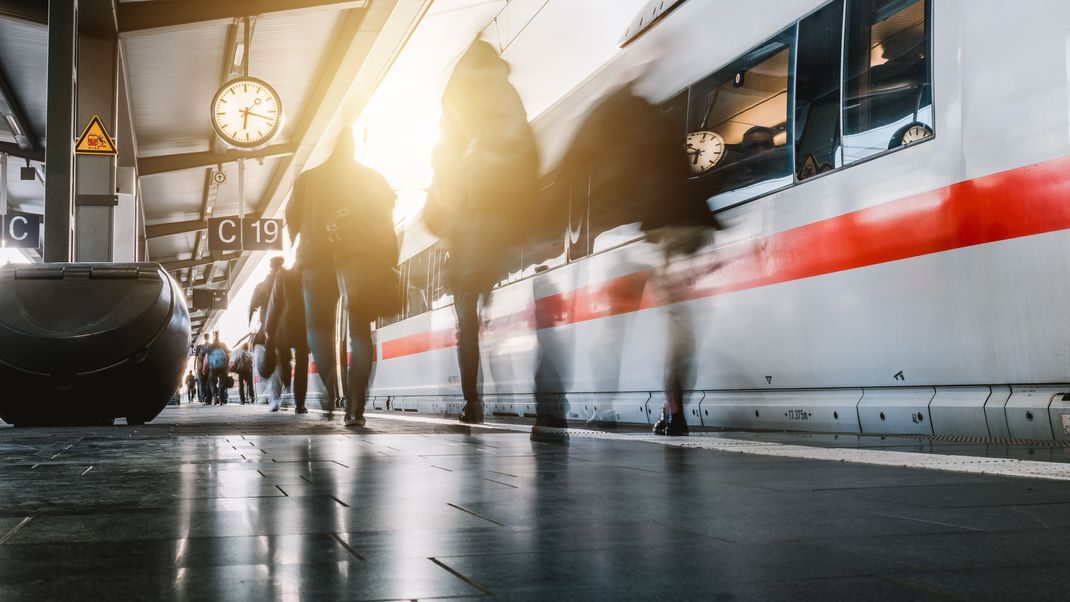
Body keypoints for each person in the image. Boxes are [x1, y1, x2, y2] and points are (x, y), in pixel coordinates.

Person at [559, 82, 720, 436]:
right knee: (679, 324)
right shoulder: (660, 123)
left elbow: (591, 175)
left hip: (659, 232)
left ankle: (626, 408)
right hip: (692, 223)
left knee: (633, 328)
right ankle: (673, 409)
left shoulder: (618, 139)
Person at [425, 39, 538, 424]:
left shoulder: (454, 111)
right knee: (525, 310)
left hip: (467, 238)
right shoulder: (508, 101)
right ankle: (535, 390)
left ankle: (472, 402)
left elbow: (443, 188)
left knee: (467, 324)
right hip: (506, 229)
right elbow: (529, 159)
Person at [286, 126, 398, 426]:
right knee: (360, 332)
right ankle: (355, 408)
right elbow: (385, 215)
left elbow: (292, 220)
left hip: (315, 261)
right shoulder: (372, 178)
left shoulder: (307, 180)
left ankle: (331, 389)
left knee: (318, 328)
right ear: (354, 148)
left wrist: (305, 237)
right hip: (359, 259)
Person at [262, 264, 310, 414]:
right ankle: (300, 404)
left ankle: (287, 384)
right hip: (303, 326)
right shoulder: (309, 274)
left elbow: (274, 303)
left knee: (284, 360)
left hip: (285, 328)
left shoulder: (283, 274)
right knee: (302, 364)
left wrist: (268, 328)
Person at [203, 331, 230, 406]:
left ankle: (215, 398)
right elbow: (228, 354)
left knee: (212, 382)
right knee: (222, 383)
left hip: (213, 367)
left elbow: (206, 357)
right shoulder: (223, 344)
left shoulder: (211, 345)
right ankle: (221, 400)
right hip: (222, 366)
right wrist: (227, 364)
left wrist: (204, 367)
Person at [194, 334, 212, 404]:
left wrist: (194, 367)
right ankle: (209, 399)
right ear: (209, 337)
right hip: (209, 366)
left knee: (201, 383)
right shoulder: (211, 346)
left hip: (200, 366)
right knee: (209, 382)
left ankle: (203, 397)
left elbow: (195, 358)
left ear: (204, 338)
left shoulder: (199, 347)